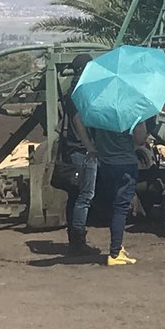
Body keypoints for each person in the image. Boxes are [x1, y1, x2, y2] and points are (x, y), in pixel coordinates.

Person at [92, 119, 151, 266]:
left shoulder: (101, 113)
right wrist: (141, 121)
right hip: (124, 164)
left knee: (113, 206)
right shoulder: (129, 112)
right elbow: (140, 140)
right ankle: (115, 252)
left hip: (106, 163)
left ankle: (117, 246)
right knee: (121, 208)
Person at [61, 53, 98, 254]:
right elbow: (79, 122)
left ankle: (74, 238)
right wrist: (90, 146)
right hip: (83, 150)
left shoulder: (71, 91)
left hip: (73, 149)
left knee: (75, 196)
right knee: (85, 195)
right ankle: (78, 240)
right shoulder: (81, 92)